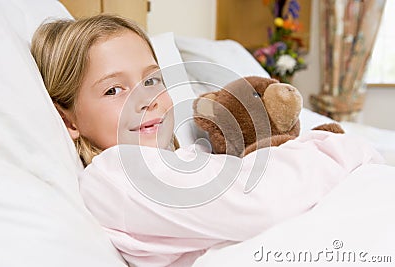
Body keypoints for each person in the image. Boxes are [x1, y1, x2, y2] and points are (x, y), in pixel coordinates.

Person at [31, 15, 383, 267]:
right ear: (68, 120)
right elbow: (260, 201)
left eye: (153, 80)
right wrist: (343, 149)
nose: (146, 98)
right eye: (113, 89)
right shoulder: (115, 177)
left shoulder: (174, 158)